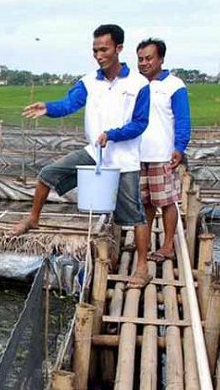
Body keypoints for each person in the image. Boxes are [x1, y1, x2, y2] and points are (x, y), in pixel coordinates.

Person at [10, 24, 152, 288]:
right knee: (47, 175)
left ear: (119, 49)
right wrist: (48, 108)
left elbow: (140, 123)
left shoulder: (139, 84)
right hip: (94, 153)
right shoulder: (89, 81)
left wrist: (112, 134)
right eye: (95, 50)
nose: (99, 55)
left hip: (124, 160)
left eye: (104, 49)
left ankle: (142, 267)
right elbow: (69, 103)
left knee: (133, 215)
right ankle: (33, 218)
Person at [136, 38, 190, 263]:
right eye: (140, 59)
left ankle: (168, 245)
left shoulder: (174, 85)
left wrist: (179, 147)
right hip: (138, 154)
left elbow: (183, 119)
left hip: (162, 154)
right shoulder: (136, 84)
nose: (144, 63)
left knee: (167, 201)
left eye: (149, 58)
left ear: (161, 59)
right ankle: (144, 242)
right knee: (145, 202)